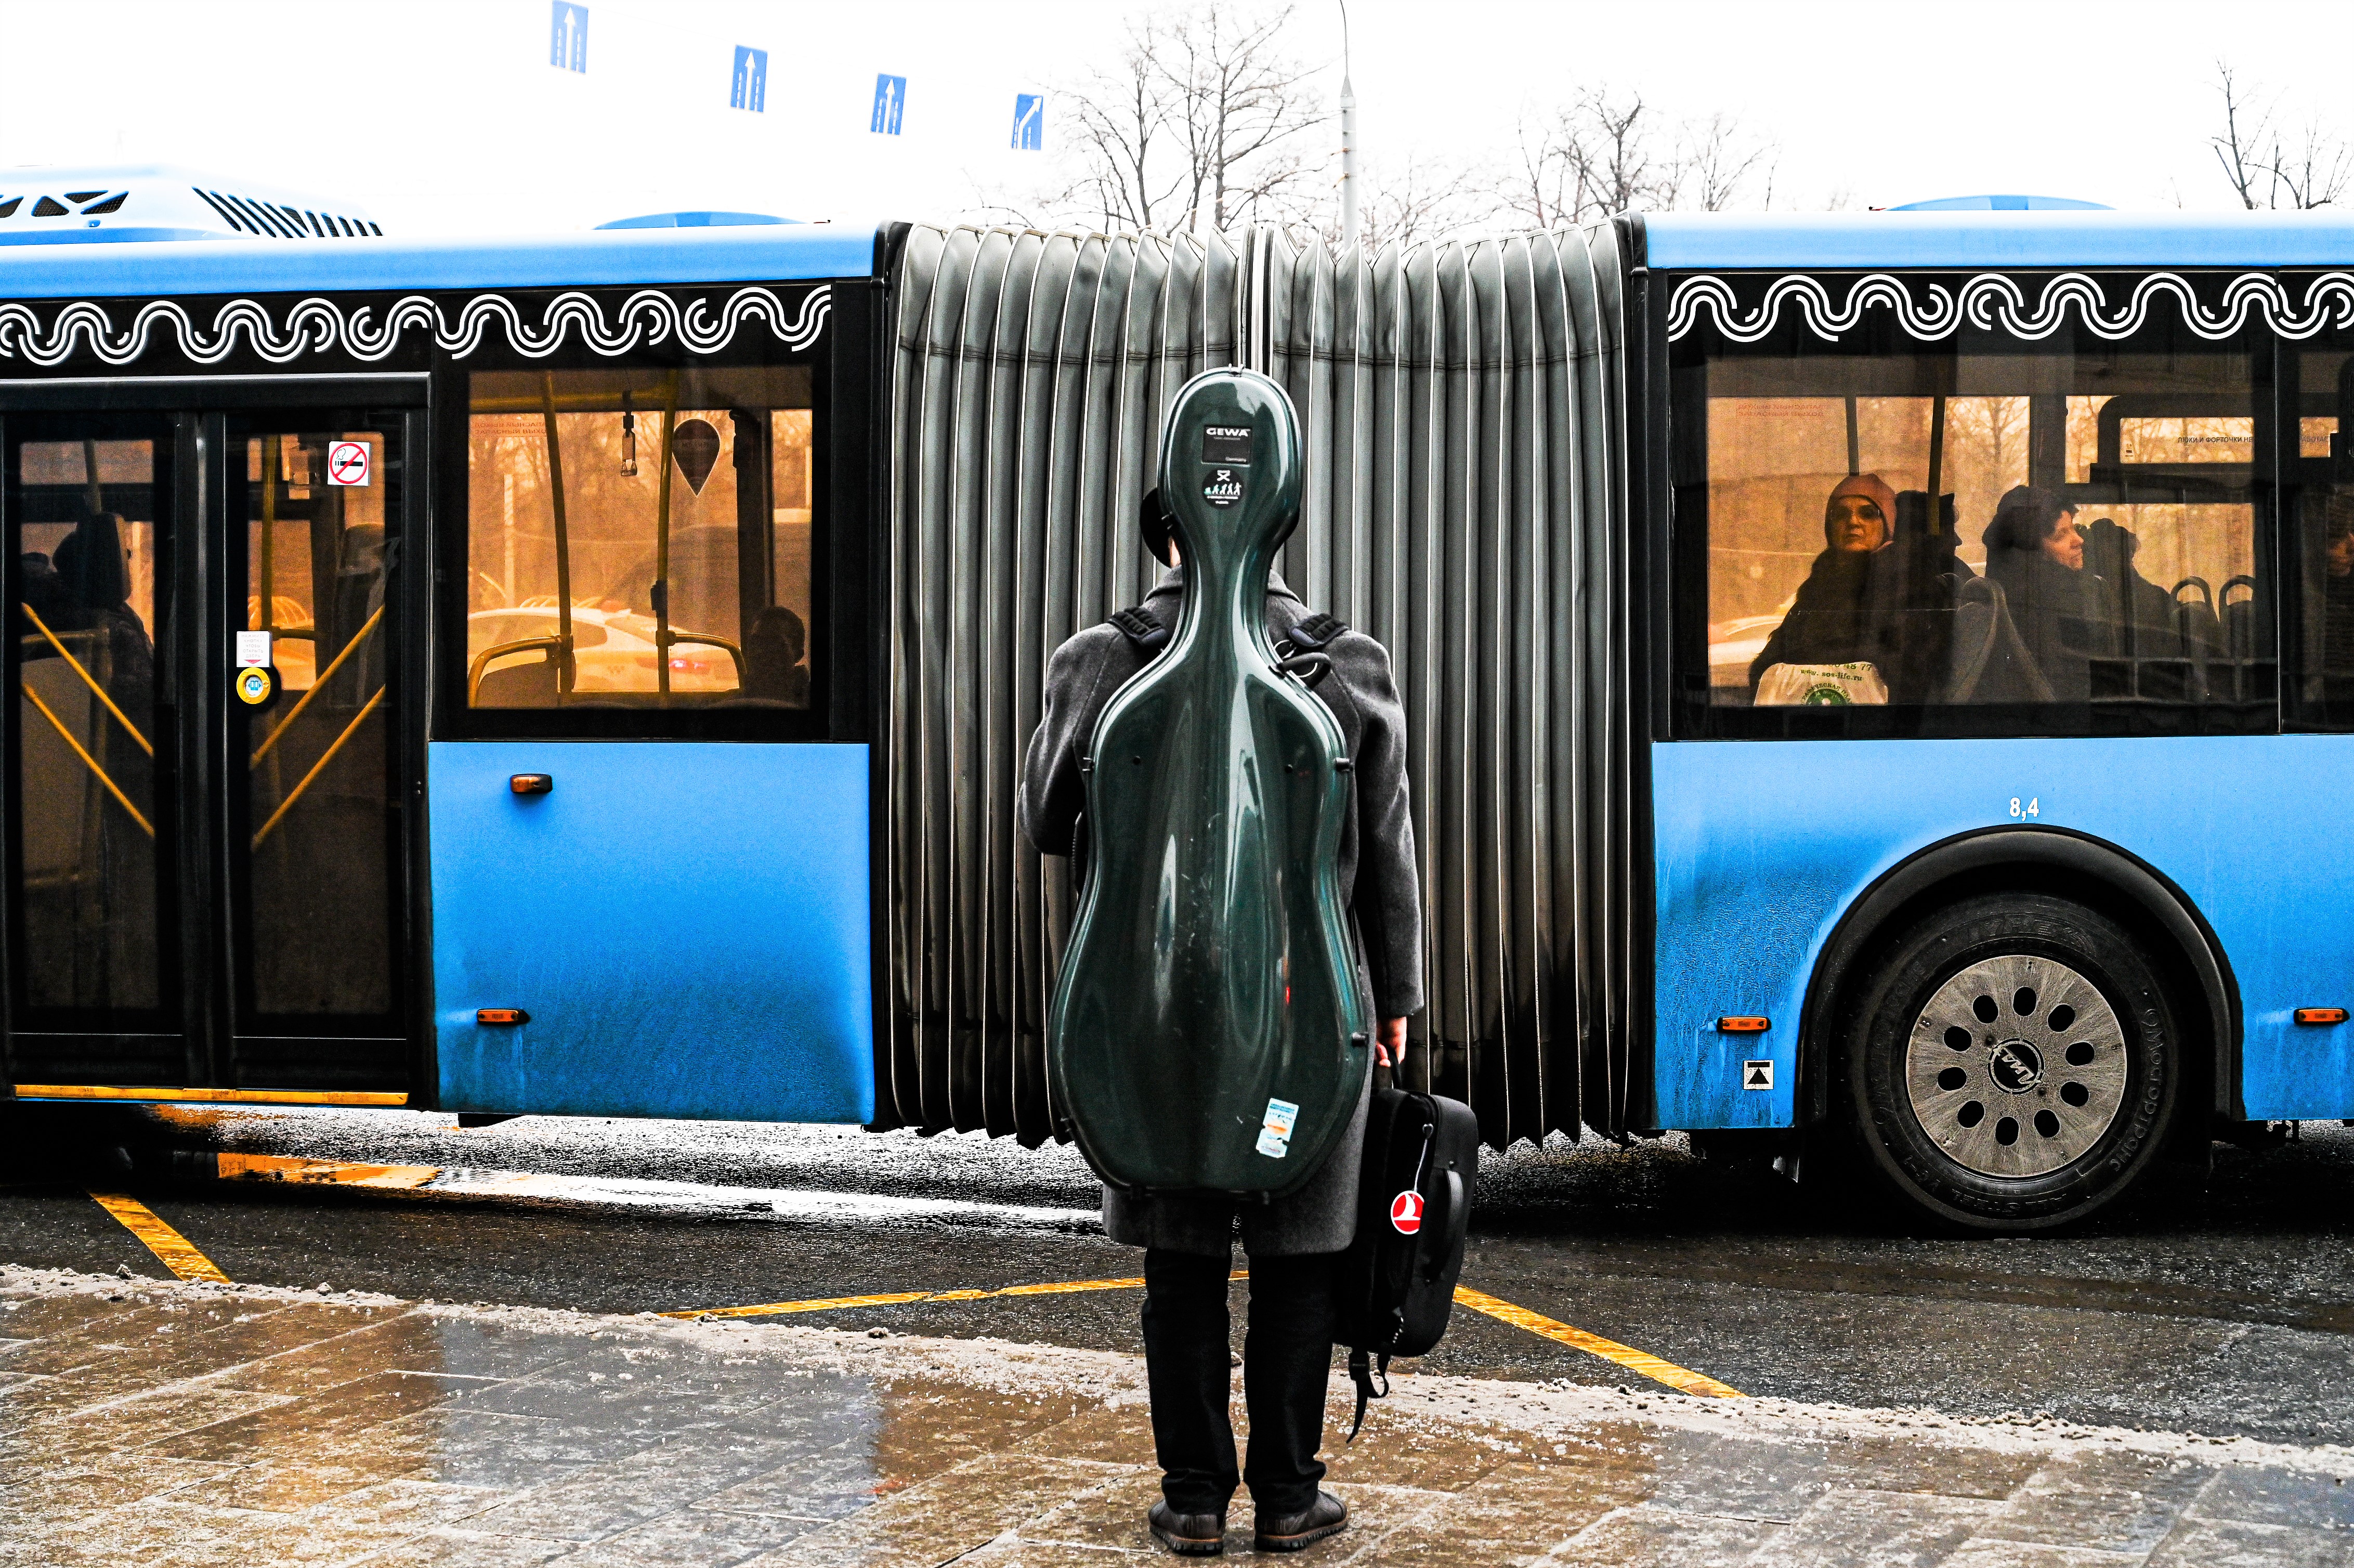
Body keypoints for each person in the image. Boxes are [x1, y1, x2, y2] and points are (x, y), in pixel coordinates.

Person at [1018, 527, 1423, 1558]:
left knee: (1181, 1260)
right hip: (1311, 1014)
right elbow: (1383, 853)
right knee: (1300, 1260)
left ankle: (1193, 1500)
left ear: (1160, 531)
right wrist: (1394, 999)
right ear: (1281, 525)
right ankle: (1288, 1497)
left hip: (1148, 1018)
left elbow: (1046, 820)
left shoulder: (1102, 656)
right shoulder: (1346, 663)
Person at [1747, 473, 1901, 692]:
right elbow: (1764, 668)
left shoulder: (1904, 584)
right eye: (1841, 515)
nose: (1853, 522)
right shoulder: (1817, 588)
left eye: (1868, 514)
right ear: (1830, 526)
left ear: (1888, 523)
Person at [1981, 485, 2097, 699]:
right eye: (2061, 535)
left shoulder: (2006, 591)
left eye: (2073, 529)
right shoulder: (2058, 597)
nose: (2079, 540)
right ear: (2033, 551)